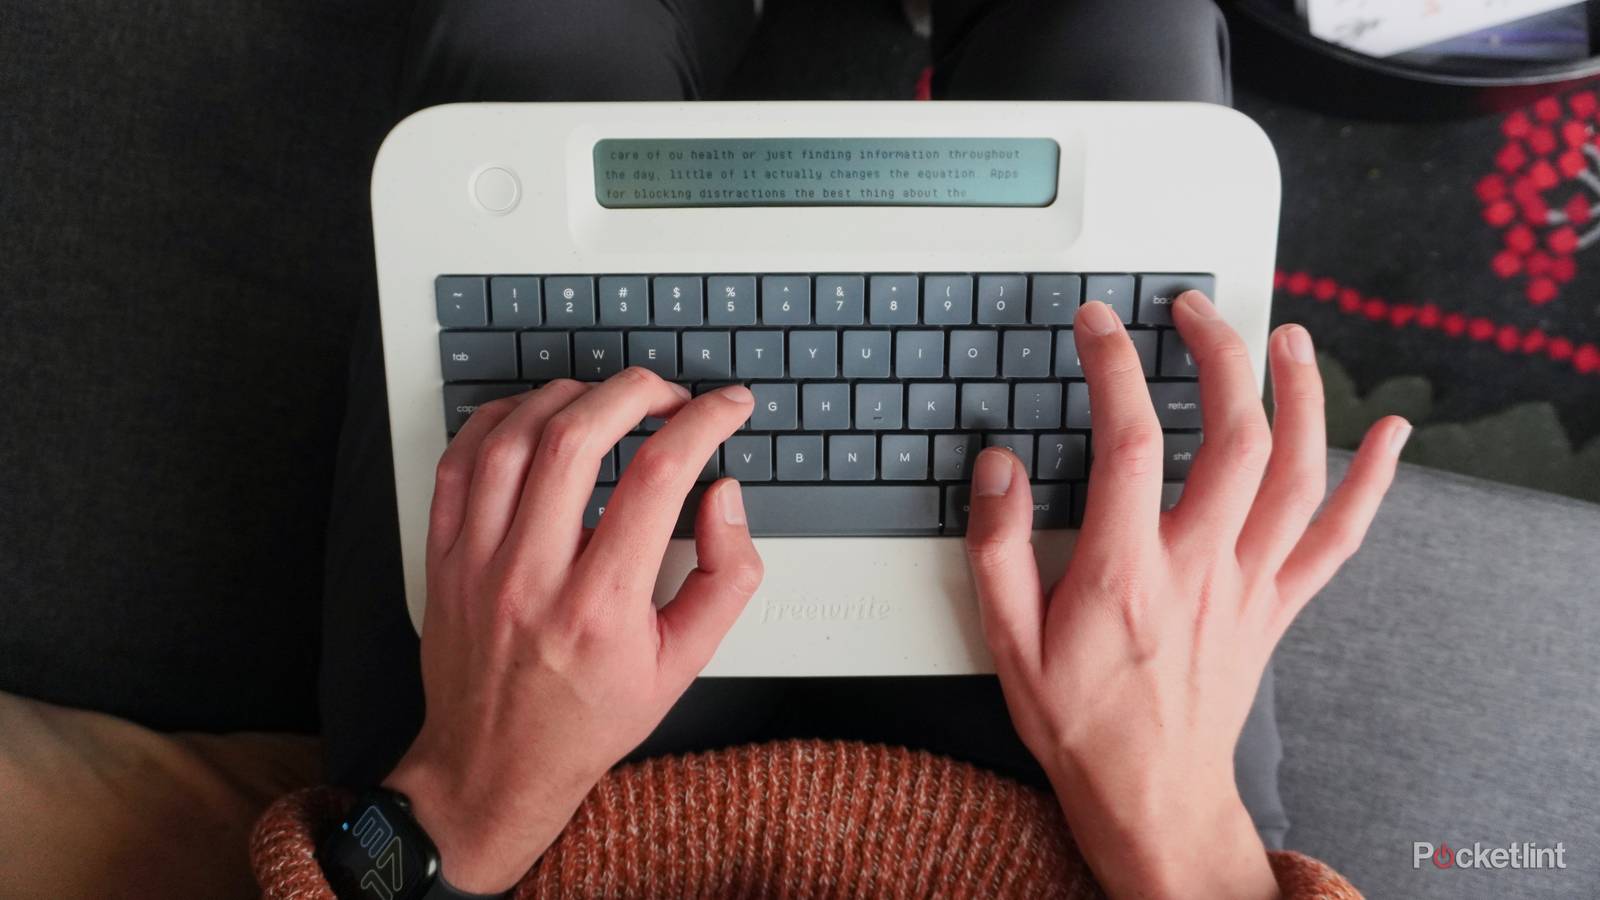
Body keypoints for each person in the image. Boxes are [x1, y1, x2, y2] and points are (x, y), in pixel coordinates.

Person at [277, 0, 1405, 896]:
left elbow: (418, 847)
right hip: (1103, 825)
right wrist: (1179, 825)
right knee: (1123, 30)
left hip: (527, 832)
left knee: (526, 35)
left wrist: (460, 810)